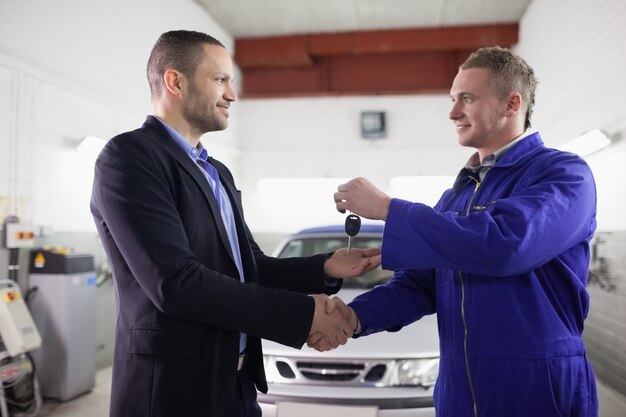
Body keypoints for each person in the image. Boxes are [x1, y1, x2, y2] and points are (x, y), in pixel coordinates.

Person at [90, 30, 380, 417]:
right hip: (171, 393)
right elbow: (175, 284)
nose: (232, 94)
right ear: (176, 81)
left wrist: (323, 266)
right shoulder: (130, 158)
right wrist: (303, 314)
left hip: (237, 386)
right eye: (220, 80)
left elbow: (249, 267)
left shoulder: (217, 173)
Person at [311, 46, 599, 416]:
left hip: (538, 389)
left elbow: (505, 244)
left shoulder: (563, 175)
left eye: (467, 98)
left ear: (512, 104)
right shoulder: (458, 194)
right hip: (460, 390)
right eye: (452, 98)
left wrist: (388, 208)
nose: (452, 112)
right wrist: (354, 317)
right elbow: (422, 283)